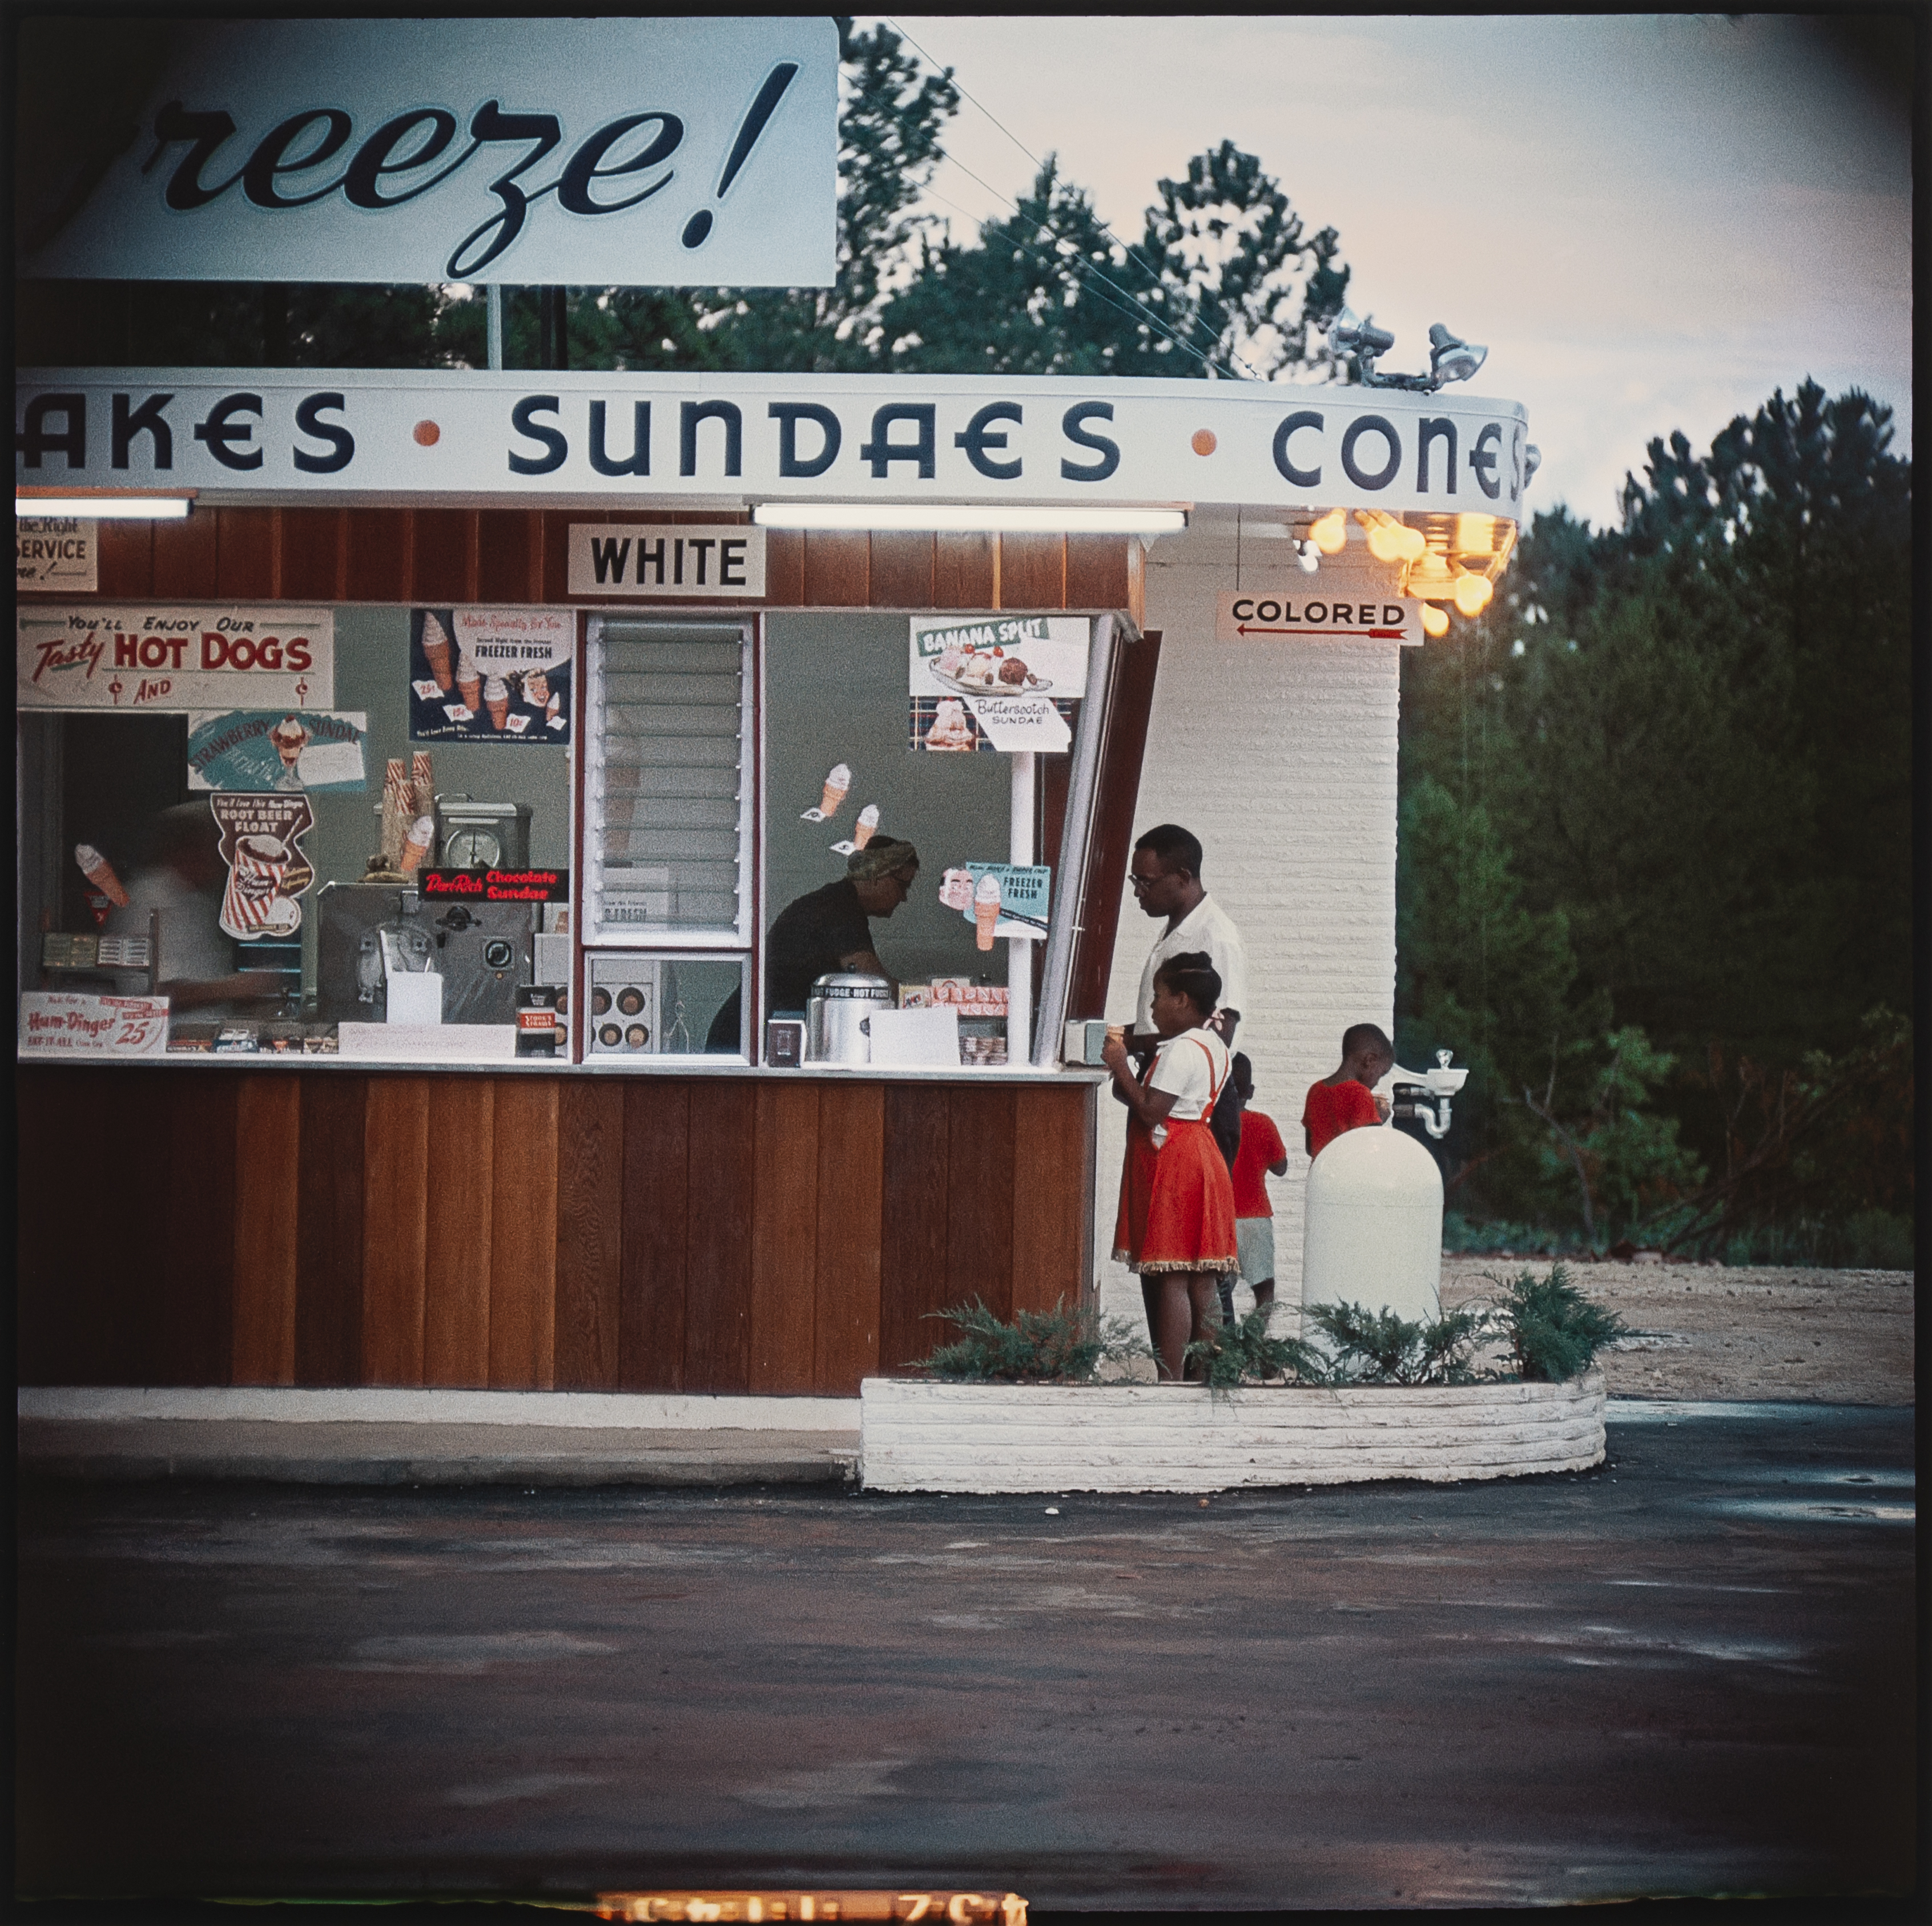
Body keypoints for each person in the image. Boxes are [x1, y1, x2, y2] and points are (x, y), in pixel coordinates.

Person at [1102, 952, 1238, 1383]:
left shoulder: (1180, 1051)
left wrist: (1119, 1064)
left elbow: (1150, 1110)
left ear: (1181, 1000)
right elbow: (1147, 1098)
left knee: (1174, 1276)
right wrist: (1127, 1076)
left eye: (1159, 997)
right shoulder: (1214, 1045)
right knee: (1203, 1277)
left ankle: (1171, 1379)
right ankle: (1207, 1375)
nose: (1152, 1007)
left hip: (1176, 1161)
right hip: (1202, 1152)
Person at [1125, 823, 1250, 1168]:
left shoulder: (1216, 937)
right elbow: (1161, 1023)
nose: (1138, 893)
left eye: (1145, 882)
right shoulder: (1176, 928)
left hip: (1193, 1112)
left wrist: (1134, 1046)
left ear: (1183, 877)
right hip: (1163, 1095)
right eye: (1134, 881)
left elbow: (1220, 1034)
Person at [106, 803, 285, 1019]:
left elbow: (207, 980)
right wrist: (235, 988)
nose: (220, 859)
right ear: (185, 850)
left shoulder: (198, 902)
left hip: (209, 1034)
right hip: (163, 1037)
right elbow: (152, 994)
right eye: (210, 848)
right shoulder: (143, 903)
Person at [764, 836, 920, 1013]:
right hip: (764, 1023)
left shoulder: (837, 900)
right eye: (903, 886)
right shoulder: (840, 908)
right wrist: (925, 999)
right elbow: (875, 985)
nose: (904, 897)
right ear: (878, 874)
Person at [1217, 1053, 1290, 1326]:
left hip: (1219, 1218)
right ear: (1250, 1091)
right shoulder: (1263, 1123)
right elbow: (1281, 1168)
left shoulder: (1211, 1125)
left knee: (1219, 1290)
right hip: (1255, 1218)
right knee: (1264, 1290)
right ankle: (1252, 1341)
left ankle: (1223, 1341)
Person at [1303, 1022, 1396, 1161]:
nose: (1377, 1082)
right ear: (1370, 1061)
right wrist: (1381, 1118)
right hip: (1348, 1172)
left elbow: (1310, 1148)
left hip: (1320, 1171)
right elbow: (1369, 1148)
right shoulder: (1360, 1094)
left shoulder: (1316, 1090)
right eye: (1381, 1074)